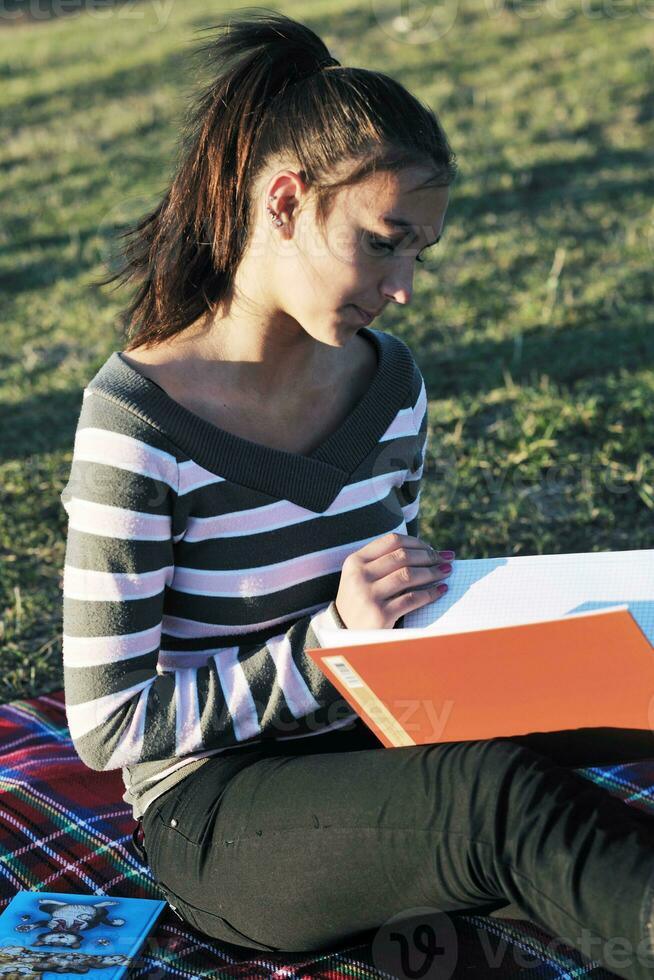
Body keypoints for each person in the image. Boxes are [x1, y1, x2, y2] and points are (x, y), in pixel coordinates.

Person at [60, 9, 654, 978]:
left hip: (376, 745)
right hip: (216, 812)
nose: (407, 284)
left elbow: (387, 630)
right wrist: (327, 646)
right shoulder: (136, 422)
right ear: (285, 201)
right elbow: (109, 720)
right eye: (386, 243)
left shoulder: (392, 387)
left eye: (421, 250)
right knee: (497, 800)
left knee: (621, 700)